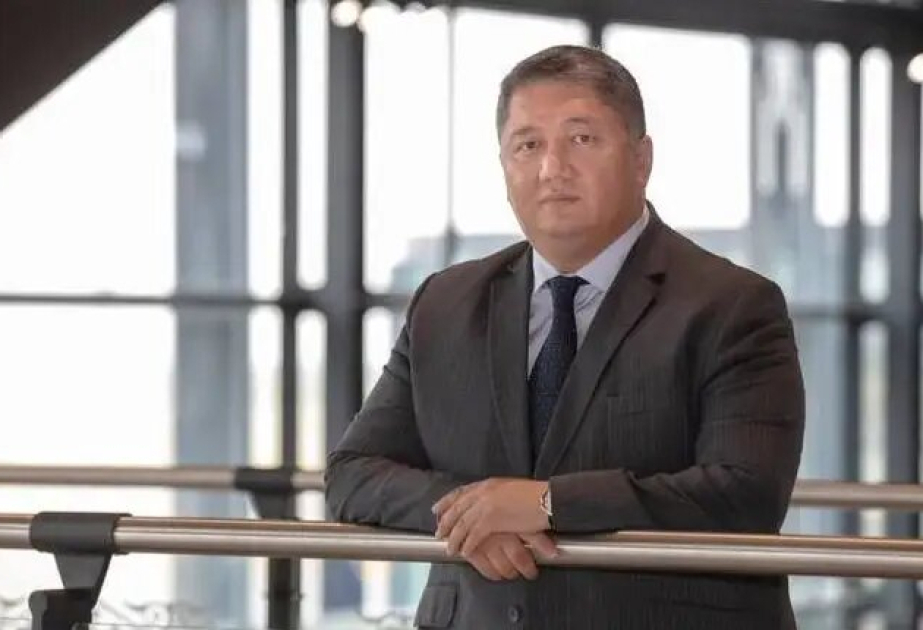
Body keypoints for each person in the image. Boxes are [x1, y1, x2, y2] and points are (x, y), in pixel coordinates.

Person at [325, 44, 804, 629]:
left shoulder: (733, 305)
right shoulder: (444, 304)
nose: (552, 168)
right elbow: (353, 473)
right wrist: (476, 515)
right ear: (504, 167)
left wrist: (547, 504)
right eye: (527, 145)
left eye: (581, 139)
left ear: (641, 159)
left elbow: (745, 494)